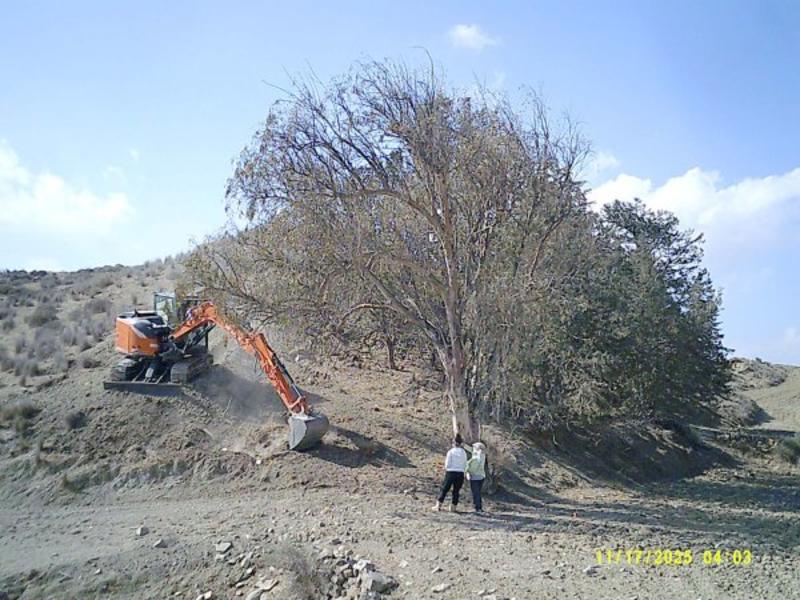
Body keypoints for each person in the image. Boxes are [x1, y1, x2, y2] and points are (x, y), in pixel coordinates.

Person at [433, 434, 468, 512]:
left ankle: (438, 505)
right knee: (456, 491)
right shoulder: (464, 452)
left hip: (451, 472)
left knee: (444, 489)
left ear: (453, 443)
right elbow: (465, 463)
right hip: (460, 473)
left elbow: (447, 463)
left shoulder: (451, 452)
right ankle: (453, 507)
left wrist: (445, 468)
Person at [465, 442, 487, 513]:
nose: (473, 448)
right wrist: (464, 445)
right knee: (478, 492)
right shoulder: (481, 454)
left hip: (475, 476)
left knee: (476, 492)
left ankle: (477, 508)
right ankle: (479, 507)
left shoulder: (477, 456)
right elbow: (471, 450)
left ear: (478, 448)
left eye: (474, 447)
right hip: (481, 476)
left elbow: (473, 467)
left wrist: (468, 472)